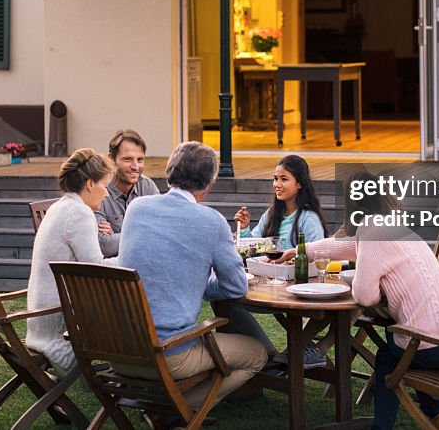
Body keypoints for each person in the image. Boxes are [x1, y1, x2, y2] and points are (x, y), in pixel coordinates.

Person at [278, 175, 439, 427]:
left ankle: (383, 426)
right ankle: (434, 413)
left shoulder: (370, 229)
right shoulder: (394, 226)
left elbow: (365, 296)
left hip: (434, 349)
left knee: (389, 356)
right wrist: (298, 251)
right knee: (401, 350)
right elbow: (345, 246)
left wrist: (360, 274)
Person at [117, 141, 267, 416]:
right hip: (167, 353)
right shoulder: (211, 221)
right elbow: (235, 287)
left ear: (169, 172)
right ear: (209, 182)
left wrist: (191, 279)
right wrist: (201, 283)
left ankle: (166, 400)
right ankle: (179, 408)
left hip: (119, 350)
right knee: (257, 354)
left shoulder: (137, 208)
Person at [230, 154, 329, 366]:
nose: (277, 184)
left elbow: (319, 253)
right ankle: (270, 355)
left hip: (296, 292)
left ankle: (276, 360)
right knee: (228, 301)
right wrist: (245, 228)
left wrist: (294, 259)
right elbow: (254, 247)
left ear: (300, 183)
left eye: (284, 179)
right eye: (275, 179)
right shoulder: (273, 213)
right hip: (270, 286)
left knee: (231, 301)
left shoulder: (308, 218)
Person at [25, 148, 115, 379]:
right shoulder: (79, 213)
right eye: (105, 185)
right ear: (90, 184)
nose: (107, 194)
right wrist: (135, 257)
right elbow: (94, 269)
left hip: (40, 321)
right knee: (131, 309)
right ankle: (141, 373)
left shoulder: (60, 206)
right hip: (58, 330)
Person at [96, 129, 160, 258]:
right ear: (111, 160)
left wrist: (117, 236)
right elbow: (103, 246)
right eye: (128, 159)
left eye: (140, 160)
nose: (135, 167)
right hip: (109, 273)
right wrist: (145, 231)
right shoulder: (98, 190)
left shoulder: (147, 187)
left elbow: (162, 233)